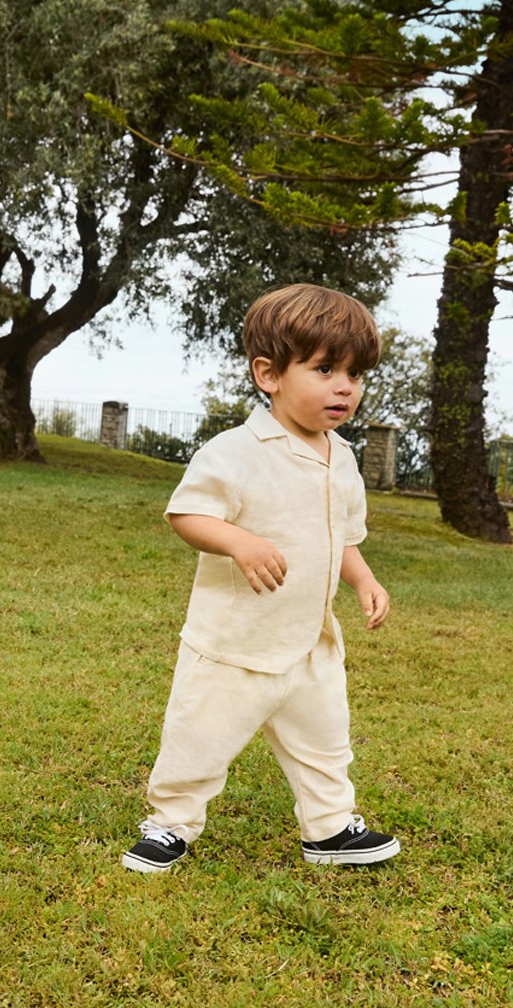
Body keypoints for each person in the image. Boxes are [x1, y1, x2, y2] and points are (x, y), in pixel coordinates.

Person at [122, 283, 399, 873]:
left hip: (309, 641)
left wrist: (363, 581)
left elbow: (343, 537)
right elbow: (187, 514)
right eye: (325, 369)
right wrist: (239, 541)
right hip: (235, 642)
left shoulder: (343, 458)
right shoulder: (235, 451)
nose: (345, 387)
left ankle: (329, 829)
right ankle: (170, 824)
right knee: (199, 738)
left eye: (355, 374)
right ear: (268, 374)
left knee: (326, 743)